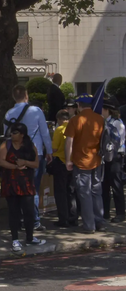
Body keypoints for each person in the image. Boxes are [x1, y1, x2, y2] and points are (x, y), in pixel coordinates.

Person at [4, 85, 53, 231]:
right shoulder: (36, 111)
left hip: (15, 154)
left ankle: (18, 219)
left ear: (14, 96)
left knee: (18, 186)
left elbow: (6, 137)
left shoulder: (8, 113)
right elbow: (44, 133)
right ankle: (33, 221)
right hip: (34, 152)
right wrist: (49, 151)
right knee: (33, 188)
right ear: (26, 95)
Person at [0, 122, 46, 252]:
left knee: (29, 211)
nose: (12, 135)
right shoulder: (6, 145)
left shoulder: (30, 146)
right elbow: (1, 161)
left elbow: (36, 164)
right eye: (11, 132)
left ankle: (30, 237)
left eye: (15, 132)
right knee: (14, 212)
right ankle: (15, 239)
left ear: (22, 134)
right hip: (10, 183)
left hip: (26, 183)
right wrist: (15, 166)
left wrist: (25, 162)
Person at [65, 93, 107, 233]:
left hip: (81, 161)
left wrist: (68, 160)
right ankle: (99, 222)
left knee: (85, 193)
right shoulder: (100, 119)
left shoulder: (75, 120)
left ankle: (89, 226)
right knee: (96, 191)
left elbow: (69, 142)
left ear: (78, 105)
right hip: (97, 160)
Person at [51, 110, 78, 227]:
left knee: (60, 192)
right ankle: (73, 217)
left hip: (60, 162)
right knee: (71, 191)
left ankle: (63, 218)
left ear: (60, 119)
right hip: (73, 162)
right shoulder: (75, 128)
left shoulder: (59, 130)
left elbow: (54, 148)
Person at [101, 98, 125, 223]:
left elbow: (118, 141)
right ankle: (104, 212)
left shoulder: (117, 123)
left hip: (115, 157)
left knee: (116, 185)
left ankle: (120, 213)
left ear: (107, 110)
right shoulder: (104, 122)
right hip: (106, 157)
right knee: (104, 185)